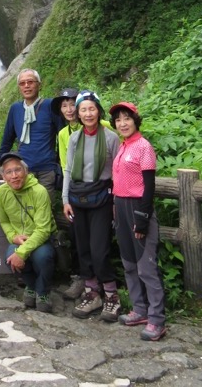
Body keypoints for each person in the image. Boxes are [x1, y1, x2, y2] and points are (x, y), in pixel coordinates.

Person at [62, 90, 121, 322]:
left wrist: (116, 201)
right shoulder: (75, 138)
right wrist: (65, 200)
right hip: (78, 198)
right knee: (84, 248)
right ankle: (91, 292)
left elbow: (118, 173)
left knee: (99, 249)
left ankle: (111, 295)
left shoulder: (111, 138)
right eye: (83, 109)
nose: (88, 113)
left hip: (102, 199)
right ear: (77, 113)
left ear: (99, 111)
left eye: (92, 108)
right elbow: (68, 170)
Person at [110, 101, 166, 342]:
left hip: (137, 209)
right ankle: (140, 309)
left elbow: (149, 186)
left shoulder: (144, 147)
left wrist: (142, 218)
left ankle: (157, 320)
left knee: (146, 267)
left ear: (135, 120)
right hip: (121, 208)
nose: (122, 123)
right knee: (129, 264)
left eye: (126, 118)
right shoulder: (123, 146)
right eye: (118, 120)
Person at [0, 152, 56, 313]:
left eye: (17, 170)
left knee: (42, 256)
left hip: (40, 239)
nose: (14, 176)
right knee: (9, 259)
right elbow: (4, 221)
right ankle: (31, 286)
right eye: (9, 172)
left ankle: (42, 292)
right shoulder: (0, 193)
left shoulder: (39, 191)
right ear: (4, 177)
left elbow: (43, 229)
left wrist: (21, 253)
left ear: (26, 171)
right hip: (19, 239)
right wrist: (12, 236)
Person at [0, 69, 63, 198]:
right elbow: (8, 138)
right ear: (19, 87)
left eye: (30, 82)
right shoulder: (15, 109)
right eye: (22, 83)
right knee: (26, 210)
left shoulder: (50, 105)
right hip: (22, 169)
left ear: (39, 84)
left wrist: (59, 161)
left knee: (45, 208)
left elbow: (62, 135)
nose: (26, 86)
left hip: (46, 169)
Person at [52, 87, 84, 300]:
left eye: (73, 104)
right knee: (77, 235)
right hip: (74, 192)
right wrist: (65, 197)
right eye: (64, 105)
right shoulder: (63, 134)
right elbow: (65, 167)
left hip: (98, 191)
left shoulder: (103, 127)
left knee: (97, 239)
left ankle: (99, 285)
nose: (69, 109)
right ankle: (81, 278)